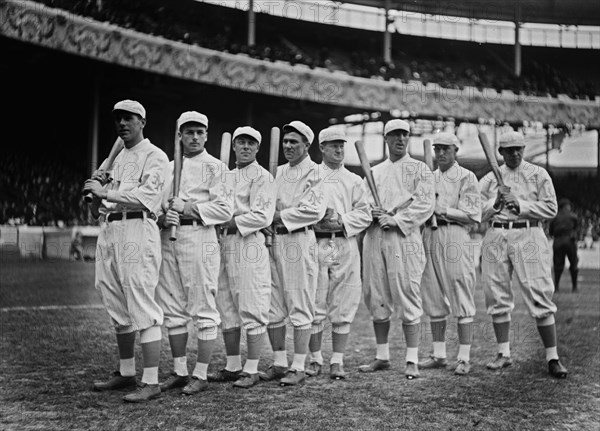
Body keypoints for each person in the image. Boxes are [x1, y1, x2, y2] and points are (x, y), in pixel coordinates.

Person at [83, 99, 169, 402]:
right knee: (112, 295)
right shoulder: (116, 160)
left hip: (137, 227)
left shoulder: (155, 156)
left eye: (129, 118)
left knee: (141, 301)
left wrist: (105, 190)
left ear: (142, 122)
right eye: (118, 118)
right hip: (110, 227)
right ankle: (127, 371)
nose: (123, 124)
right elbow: (98, 210)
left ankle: (151, 380)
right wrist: (93, 193)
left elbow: (147, 197)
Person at [155, 111, 234, 395]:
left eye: (200, 132)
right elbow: (156, 205)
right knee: (171, 305)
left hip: (200, 234)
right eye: (189, 132)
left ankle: (200, 373)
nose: (195, 137)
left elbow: (225, 210)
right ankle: (179, 370)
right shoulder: (169, 167)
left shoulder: (216, 167)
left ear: (207, 135)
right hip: (169, 235)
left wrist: (187, 208)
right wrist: (163, 216)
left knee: (202, 303)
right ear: (180, 135)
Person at [479, 130, 568, 378]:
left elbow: (551, 208)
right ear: (501, 152)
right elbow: (474, 212)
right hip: (496, 234)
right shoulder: (488, 179)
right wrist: (495, 203)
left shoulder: (538, 174)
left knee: (539, 293)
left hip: (529, 233)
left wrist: (522, 206)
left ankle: (553, 357)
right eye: (509, 150)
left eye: (519, 148)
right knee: (495, 293)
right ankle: (503, 353)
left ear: (524, 149)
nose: (515, 153)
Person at [359, 119, 435, 379]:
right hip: (374, 235)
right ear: (386, 138)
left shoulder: (419, 169)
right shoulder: (375, 171)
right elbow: (361, 202)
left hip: (404, 238)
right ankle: (382, 356)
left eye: (404, 134)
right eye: (394, 135)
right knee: (376, 293)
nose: (400, 139)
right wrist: (371, 211)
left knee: (407, 292)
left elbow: (425, 204)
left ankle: (412, 358)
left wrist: (398, 219)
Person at [260, 120, 327, 386]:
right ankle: (279, 362)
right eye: (285, 141)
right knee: (272, 304)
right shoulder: (277, 172)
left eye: (293, 142)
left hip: (299, 239)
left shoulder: (316, 172)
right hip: (274, 240)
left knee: (300, 303)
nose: (287, 146)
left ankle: (298, 365)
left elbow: (315, 210)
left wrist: (277, 216)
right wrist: (265, 219)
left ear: (306, 145)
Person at [305, 127, 372, 380]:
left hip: (343, 241)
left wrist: (342, 220)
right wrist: (318, 219)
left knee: (344, 300)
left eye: (341, 145)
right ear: (321, 148)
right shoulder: (310, 175)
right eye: (333, 145)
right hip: (318, 242)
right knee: (315, 300)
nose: (339, 149)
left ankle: (337, 360)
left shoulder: (354, 179)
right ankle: (314, 359)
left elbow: (365, 213)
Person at [213, 126, 276, 389]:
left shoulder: (263, 176)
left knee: (251, 302)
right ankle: (232, 365)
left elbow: (263, 215)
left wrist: (228, 219)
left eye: (251, 143)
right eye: (241, 142)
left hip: (248, 240)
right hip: (222, 241)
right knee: (226, 304)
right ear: (234, 146)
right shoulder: (223, 176)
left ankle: (251, 368)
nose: (246, 147)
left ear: (258, 148)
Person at [418, 132, 481, 376]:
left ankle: (464, 357)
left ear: (456, 150)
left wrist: (443, 209)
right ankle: (439, 354)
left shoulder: (467, 177)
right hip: (429, 235)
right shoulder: (428, 177)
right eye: (437, 149)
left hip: (455, 234)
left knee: (460, 290)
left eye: (446, 148)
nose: (441, 153)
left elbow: (473, 214)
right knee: (432, 293)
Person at [549, 198, 579, 292]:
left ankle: (556, 286)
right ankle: (574, 287)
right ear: (566, 207)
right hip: (570, 240)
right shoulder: (573, 217)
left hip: (558, 241)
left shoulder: (555, 217)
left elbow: (551, 232)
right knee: (573, 263)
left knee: (558, 265)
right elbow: (576, 229)